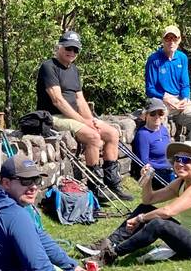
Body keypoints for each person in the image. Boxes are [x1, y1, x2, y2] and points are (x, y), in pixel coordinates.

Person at [80, 141, 191, 266]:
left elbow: (168, 211)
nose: (180, 163)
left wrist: (141, 218)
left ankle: (109, 255)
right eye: (177, 159)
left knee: (158, 223)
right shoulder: (181, 182)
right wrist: (148, 180)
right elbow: (148, 200)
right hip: (190, 236)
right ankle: (108, 243)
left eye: (186, 160)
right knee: (146, 209)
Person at [36, 30, 133, 201]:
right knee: (94, 137)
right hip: (54, 116)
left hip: (73, 117)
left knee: (112, 133)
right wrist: (83, 122)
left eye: (75, 50)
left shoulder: (74, 70)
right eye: (68, 48)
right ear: (60, 47)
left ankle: (113, 183)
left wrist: (91, 120)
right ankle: (96, 187)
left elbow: (80, 99)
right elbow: (58, 101)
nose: (71, 52)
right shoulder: (48, 67)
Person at [133, 98, 175, 189]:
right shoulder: (143, 135)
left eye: (160, 113)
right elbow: (144, 162)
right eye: (153, 113)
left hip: (172, 168)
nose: (157, 117)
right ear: (146, 115)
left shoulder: (163, 129)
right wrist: (166, 167)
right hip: (158, 173)